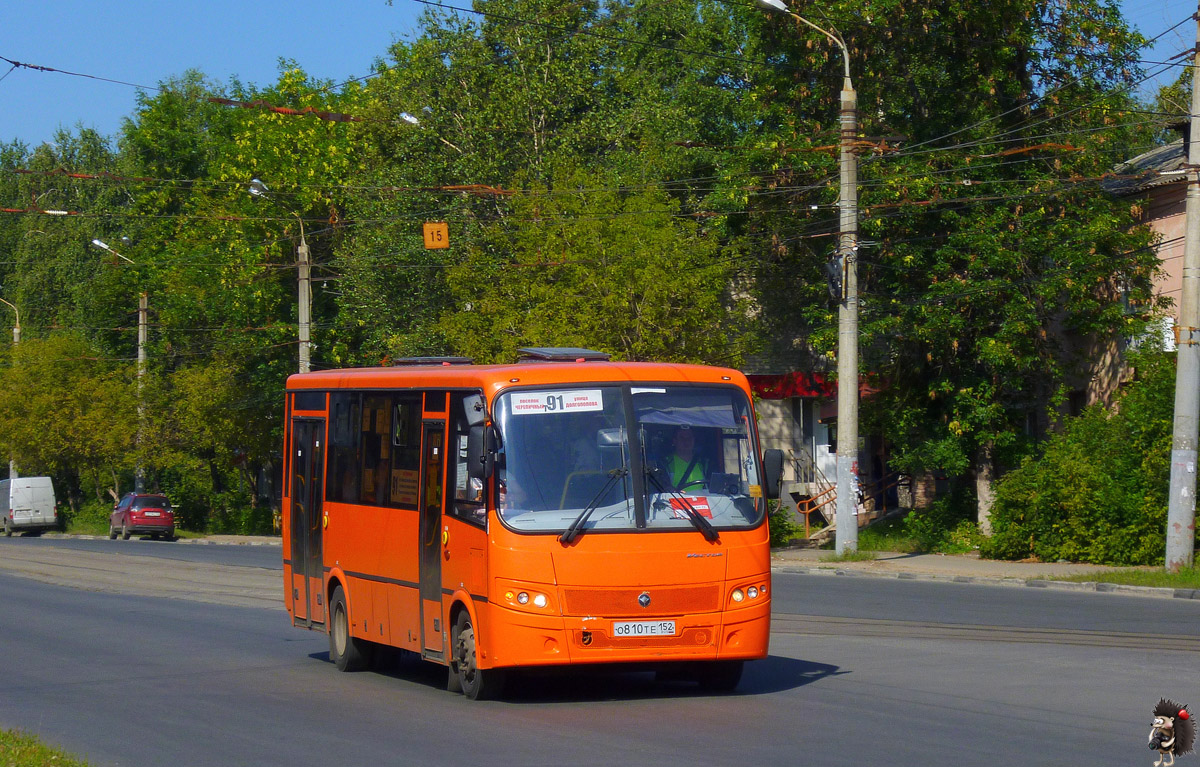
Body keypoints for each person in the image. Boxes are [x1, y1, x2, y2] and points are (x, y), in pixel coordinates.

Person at [663, 425, 707, 491]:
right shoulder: (665, 463)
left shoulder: (704, 463)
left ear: (694, 440)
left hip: (706, 501)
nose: (686, 441)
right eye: (682, 438)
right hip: (676, 501)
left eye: (689, 438)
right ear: (674, 441)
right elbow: (663, 487)